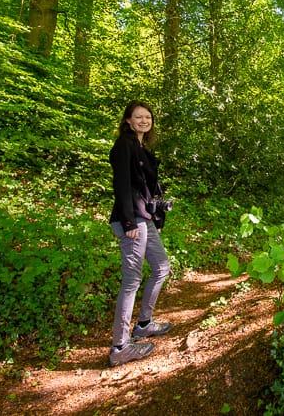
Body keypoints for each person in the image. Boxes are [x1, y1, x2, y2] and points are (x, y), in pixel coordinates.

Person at [107, 100, 172, 367]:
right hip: (132, 220)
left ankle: (143, 323)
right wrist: (129, 223)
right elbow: (121, 185)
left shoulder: (141, 148)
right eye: (138, 117)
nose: (144, 120)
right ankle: (120, 347)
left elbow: (145, 188)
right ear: (128, 121)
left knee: (161, 267)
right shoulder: (124, 145)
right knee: (131, 280)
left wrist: (157, 214)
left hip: (145, 219)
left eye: (148, 117)